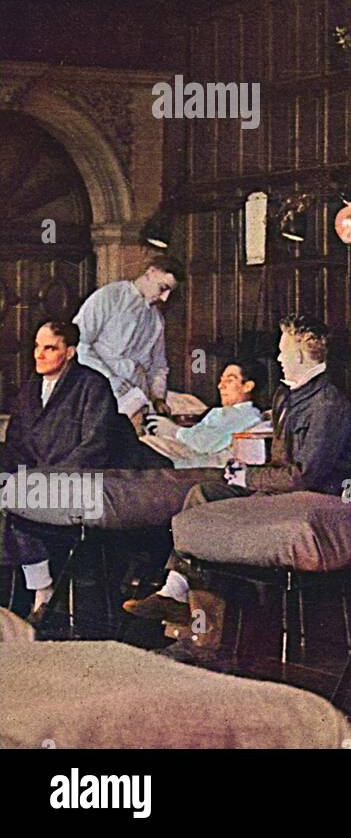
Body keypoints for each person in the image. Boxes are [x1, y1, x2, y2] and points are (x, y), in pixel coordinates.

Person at [122, 315, 351, 650]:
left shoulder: (327, 405)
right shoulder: (288, 396)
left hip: (309, 500)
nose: (278, 359)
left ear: (303, 357)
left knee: (218, 517)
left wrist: (249, 476)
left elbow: (304, 475)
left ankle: (202, 633)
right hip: (276, 491)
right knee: (203, 494)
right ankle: (175, 593)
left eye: (283, 351)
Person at [1, 321, 131, 625]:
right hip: (34, 477)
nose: (39, 355)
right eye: (37, 346)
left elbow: (96, 445)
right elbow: (16, 442)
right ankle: (28, 593)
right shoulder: (30, 388)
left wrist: (48, 477)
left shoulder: (91, 385)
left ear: (70, 352)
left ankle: (42, 592)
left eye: (50, 348)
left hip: (76, 479)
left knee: (17, 498)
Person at [73, 255, 184, 426]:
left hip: (137, 396)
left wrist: (158, 399)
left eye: (170, 292)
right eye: (163, 288)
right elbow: (80, 345)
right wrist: (110, 378)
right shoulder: (109, 297)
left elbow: (158, 366)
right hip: (100, 387)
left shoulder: (156, 320)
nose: (165, 298)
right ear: (151, 272)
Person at [141, 360, 265, 465]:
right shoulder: (231, 413)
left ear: (247, 386)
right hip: (190, 457)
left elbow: (202, 444)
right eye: (221, 380)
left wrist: (174, 431)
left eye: (229, 380)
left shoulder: (243, 415)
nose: (220, 386)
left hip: (198, 467)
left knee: (144, 446)